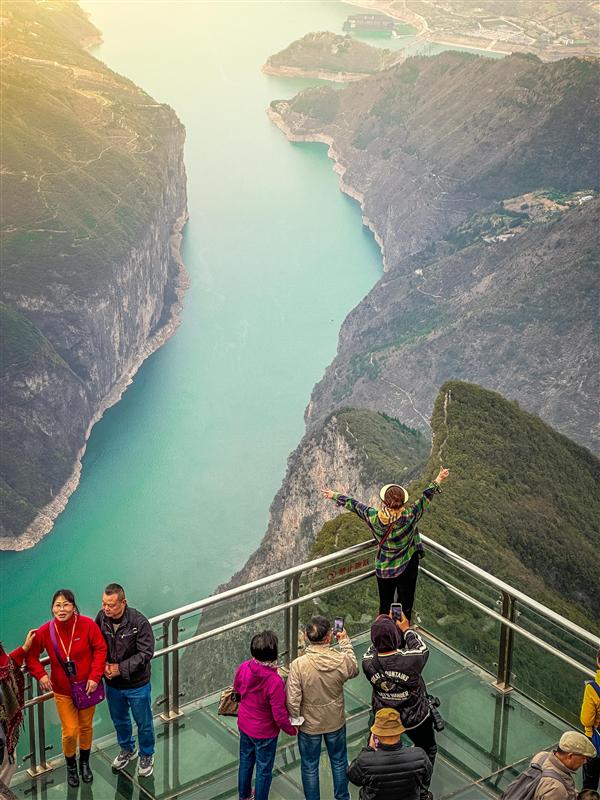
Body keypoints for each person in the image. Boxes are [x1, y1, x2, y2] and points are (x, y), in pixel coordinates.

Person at [323, 468, 449, 619]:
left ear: (384, 502)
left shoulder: (374, 517)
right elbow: (426, 497)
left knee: (385, 605)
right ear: (403, 502)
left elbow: (355, 505)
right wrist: (439, 478)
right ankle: (401, 635)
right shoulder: (411, 515)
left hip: (385, 568)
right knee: (405, 603)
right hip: (408, 564)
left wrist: (334, 495)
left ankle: (384, 635)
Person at [26, 589, 107, 788]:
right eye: (57, 605)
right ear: (52, 608)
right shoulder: (46, 630)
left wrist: (95, 676)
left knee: (86, 726)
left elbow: (100, 648)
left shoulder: (87, 625)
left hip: (88, 686)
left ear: (73, 606)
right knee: (70, 731)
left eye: (66, 605)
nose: (61, 609)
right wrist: (41, 674)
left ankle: (84, 763)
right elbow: (31, 657)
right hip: (62, 690)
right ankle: (71, 766)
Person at [362, 613, 436, 800]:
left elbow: (372, 648)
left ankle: (377, 785)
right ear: (396, 638)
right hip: (415, 717)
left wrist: (380, 628)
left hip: (383, 717)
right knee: (428, 749)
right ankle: (422, 789)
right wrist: (406, 629)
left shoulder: (368, 663)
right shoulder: (411, 660)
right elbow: (421, 648)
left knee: (375, 750)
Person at [286, 615, 359, 800]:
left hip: (309, 724)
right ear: (328, 637)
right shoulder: (341, 660)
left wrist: (295, 721)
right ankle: (342, 797)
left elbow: (293, 699)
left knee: (310, 765)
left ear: (306, 636)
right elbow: (354, 669)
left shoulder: (298, 665)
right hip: (335, 719)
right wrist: (344, 642)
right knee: (339, 760)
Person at [95, 583, 156, 778]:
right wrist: (103, 664)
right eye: (104, 604)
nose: (106, 609)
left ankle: (147, 754)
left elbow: (146, 653)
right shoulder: (101, 619)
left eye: (111, 605)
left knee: (143, 721)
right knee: (120, 720)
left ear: (123, 603)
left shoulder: (139, 622)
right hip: (113, 685)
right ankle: (127, 749)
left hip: (137, 684)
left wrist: (119, 669)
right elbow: (96, 644)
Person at [233, 630, 297, 800]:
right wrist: (291, 729)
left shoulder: (244, 667)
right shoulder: (274, 681)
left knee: (245, 762)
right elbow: (279, 713)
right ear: (273, 654)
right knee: (263, 769)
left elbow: (237, 691)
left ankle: (244, 796)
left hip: (245, 725)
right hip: (265, 732)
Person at [347, 707, 432, 800]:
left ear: (376, 734)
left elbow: (353, 778)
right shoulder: (419, 755)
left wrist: (369, 749)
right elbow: (425, 778)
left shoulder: (365, 760)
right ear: (400, 731)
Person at [0, 630, 36, 789]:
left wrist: (24, 649)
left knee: (8, 763)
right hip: (2, 735)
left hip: (3, 732)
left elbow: (6, 666)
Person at [528, 731, 596, 799]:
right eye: (583, 758)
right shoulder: (556, 789)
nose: (585, 762)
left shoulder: (542, 756)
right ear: (570, 756)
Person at [580, 649, 600, 790]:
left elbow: (587, 720)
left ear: (598, 662)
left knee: (590, 784)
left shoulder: (592, 688)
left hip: (594, 742)